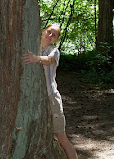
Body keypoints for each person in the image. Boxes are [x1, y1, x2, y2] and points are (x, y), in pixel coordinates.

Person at [22, 23, 78, 159]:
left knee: (61, 137)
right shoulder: (31, 44)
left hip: (52, 98)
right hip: (36, 99)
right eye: (49, 32)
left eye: (54, 35)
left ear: (57, 39)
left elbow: (50, 60)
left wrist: (36, 59)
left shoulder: (53, 51)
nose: (50, 36)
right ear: (43, 31)